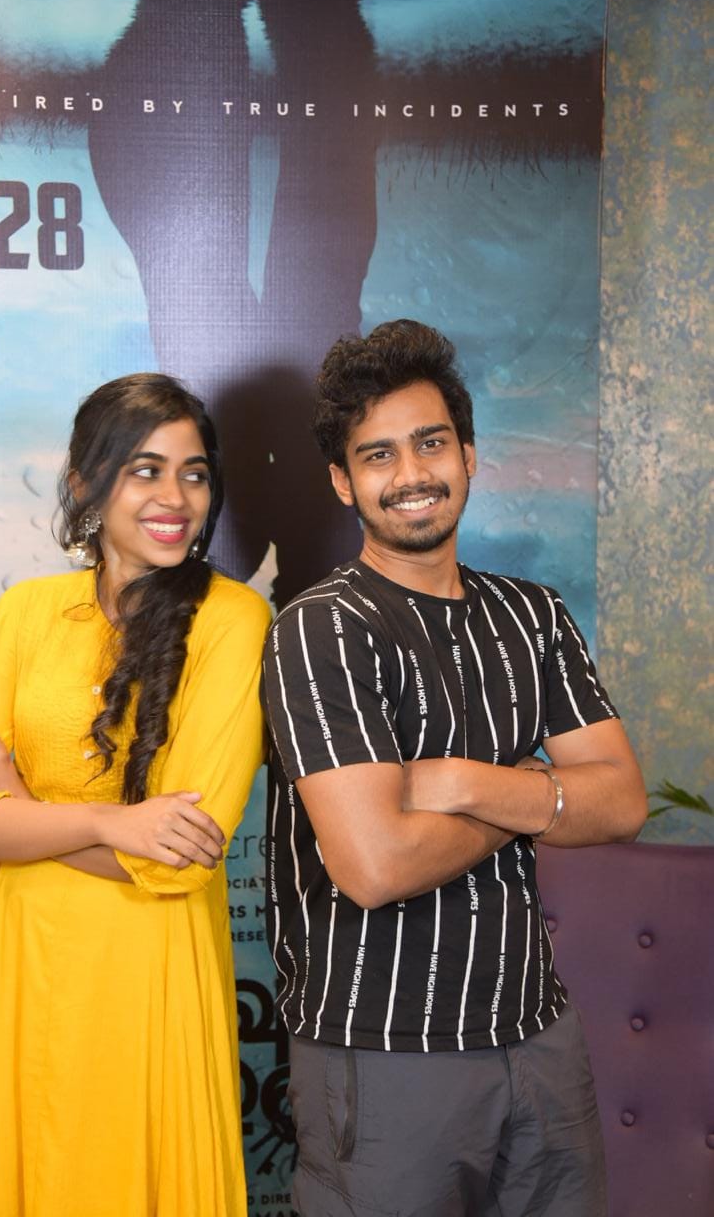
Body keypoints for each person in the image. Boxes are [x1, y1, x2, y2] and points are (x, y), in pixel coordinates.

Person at [262, 321, 647, 1217]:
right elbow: (374, 865)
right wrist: (538, 794)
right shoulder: (322, 629)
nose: (411, 473)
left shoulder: (533, 614)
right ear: (342, 480)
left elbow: (622, 801)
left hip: (538, 1034)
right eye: (378, 454)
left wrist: (467, 782)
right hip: (383, 1051)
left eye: (431, 443)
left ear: (468, 456)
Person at [0, 373, 271, 1217]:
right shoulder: (26, 614)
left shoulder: (234, 621)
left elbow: (174, 861)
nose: (174, 498)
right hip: (7, 971)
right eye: (145, 470)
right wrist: (108, 820)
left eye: (193, 475)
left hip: (147, 976)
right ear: (86, 482)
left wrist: (17, 807)